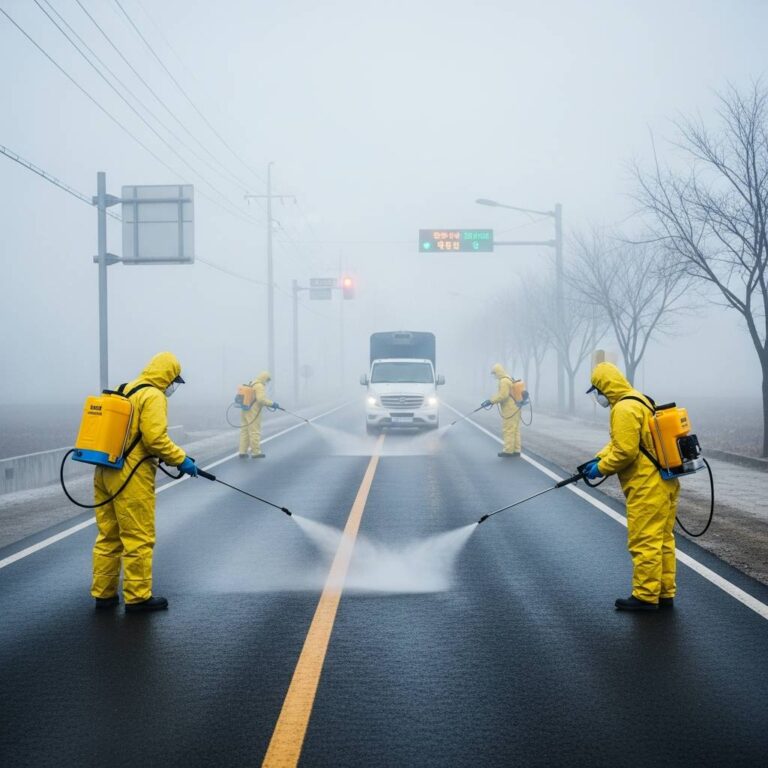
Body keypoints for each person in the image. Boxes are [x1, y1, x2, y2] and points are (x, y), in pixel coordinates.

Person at [91, 351, 198, 613]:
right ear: (168, 376)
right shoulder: (153, 396)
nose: (174, 387)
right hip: (130, 475)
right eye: (175, 380)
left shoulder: (122, 389)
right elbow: (155, 439)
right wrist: (181, 459)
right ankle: (137, 597)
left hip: (104, 469)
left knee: (109, 535)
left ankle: (104, 595)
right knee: (138, 535)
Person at [583, 361, 680, 611]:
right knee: (663, 540)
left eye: (596, 391)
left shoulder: (623, 409)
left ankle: (645, 596)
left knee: (644, 540)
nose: (597, 397)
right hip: (665, 480)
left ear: (604, 387)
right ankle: (664, 592)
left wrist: (601, 468)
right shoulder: (639, 400)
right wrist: (598, 457)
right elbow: (625, 442)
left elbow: (625, 452)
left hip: (646, 485)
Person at [481, 363, 524, 457]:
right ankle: (516, 450)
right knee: (515, 429)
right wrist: (492, 400)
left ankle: (508, 451)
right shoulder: (508, 378)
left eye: (494, 373)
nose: (494, 376)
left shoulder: (503, 381)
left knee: (508, 429)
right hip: (516, 407)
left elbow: (503, 396)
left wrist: (490, 401)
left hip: (510, 409)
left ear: (498, 372)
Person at [238, 371, 279, 459]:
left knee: (244, 431)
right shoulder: (259, 386)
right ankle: (256, 452)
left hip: (245, 409)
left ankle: (242, 451)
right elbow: (261, 400)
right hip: (253, 411)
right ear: (264, 378)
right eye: (267, 380)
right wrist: (272, 404)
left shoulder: (252, 383)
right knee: (254, 431)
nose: (267, 382)